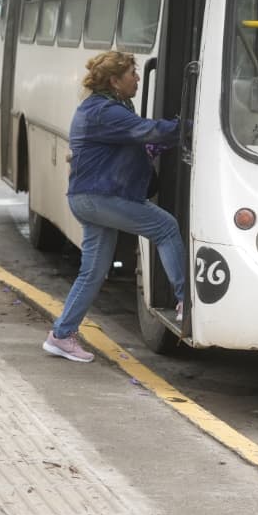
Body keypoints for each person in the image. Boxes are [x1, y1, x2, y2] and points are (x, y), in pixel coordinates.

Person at [43, 51, 187, 364]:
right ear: (114, 81)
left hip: (89, 197)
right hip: (99, 197)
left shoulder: (108, 107)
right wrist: (188, 125)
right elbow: (149, 130)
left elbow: (139, 140)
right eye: (132, 73)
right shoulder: (105, 111)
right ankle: (185, 303)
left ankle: (61, 335)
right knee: (165, 227)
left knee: (92, 272)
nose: (138, 78)